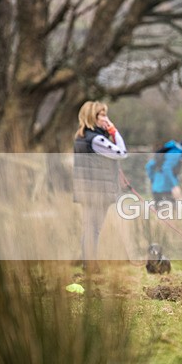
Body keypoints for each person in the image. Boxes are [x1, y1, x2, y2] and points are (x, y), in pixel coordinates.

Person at [72, 100, 128, 270]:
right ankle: (90, 264)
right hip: (97, 191)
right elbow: (121, 152)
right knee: (94, 228)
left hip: (87, 189)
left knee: (89, 227)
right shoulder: (96, 139)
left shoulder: (81, 137)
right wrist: (113, 131)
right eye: (102, 115)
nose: (106, 119)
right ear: (92, 117)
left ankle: (88, 262)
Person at [145, 138, 182, 204]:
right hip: (166, 189)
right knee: (171, 209)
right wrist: (174, 185)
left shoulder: (167, 150)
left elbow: (149, 166)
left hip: (156, 188)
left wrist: (153, 180)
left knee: (159, 209)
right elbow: (166, 168)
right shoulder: (177, 153)